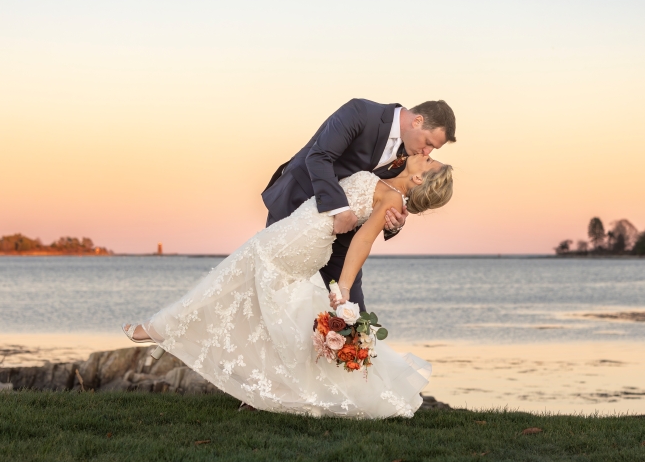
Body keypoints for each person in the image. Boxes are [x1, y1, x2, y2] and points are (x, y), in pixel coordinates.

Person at [123, 150, 455, 418]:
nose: (425, 153)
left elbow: (361, 244)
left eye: (429, 160)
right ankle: (171, 331)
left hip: (300, 240)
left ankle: (159, 328)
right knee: (257, 297)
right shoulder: (388, 178)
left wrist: (342, 290)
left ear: (418, 178)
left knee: (230, 279)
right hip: (299, 230)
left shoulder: (392, 199)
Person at [262, 99, 457, 312]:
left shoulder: (410, 154)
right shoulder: (361, 113)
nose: (427, 152)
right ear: (417, 121)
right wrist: (340, 210)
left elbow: (390, 195)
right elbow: (319, 157)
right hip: (298, 209)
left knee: (352, 313)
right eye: (429, 142)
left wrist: (394, 222)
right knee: (277, 299)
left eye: (432, 149)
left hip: (346, 237)